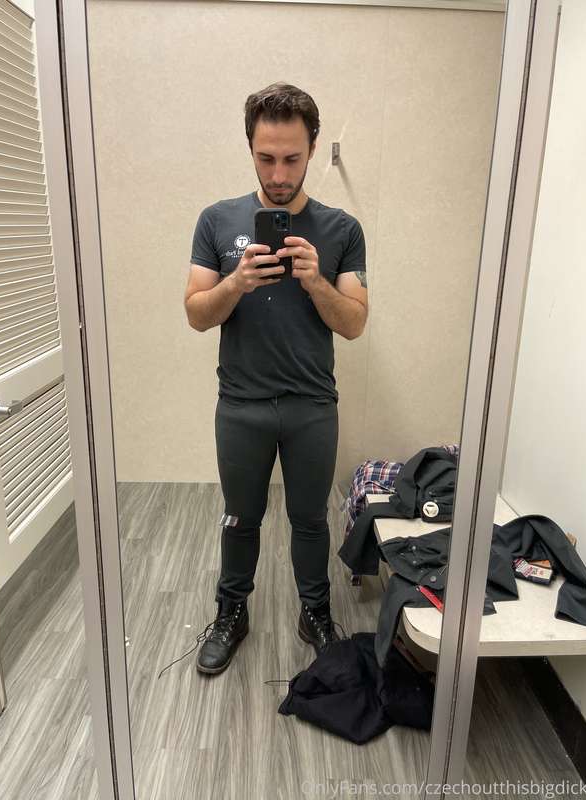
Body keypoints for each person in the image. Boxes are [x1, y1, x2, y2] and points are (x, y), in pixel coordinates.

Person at [184, 82, 368, 675]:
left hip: (312, 404)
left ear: (312, 148)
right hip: (241, 403)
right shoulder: (216, 220)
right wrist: (236, 283)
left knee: (310, 519)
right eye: (266, 158)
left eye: (292, 158)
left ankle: (315, 611)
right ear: (250, 148)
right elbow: (196, 313)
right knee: (240, 517)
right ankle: (231, 612)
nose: (279, 173)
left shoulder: (341, 229)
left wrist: (315, 281)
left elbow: (354, 323)